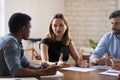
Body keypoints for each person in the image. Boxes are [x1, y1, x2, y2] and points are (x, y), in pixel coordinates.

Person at [0, 13, 58, 77]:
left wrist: (40, 68)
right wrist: (45, 72)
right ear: (23, 29)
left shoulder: (14, 41)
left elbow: (26, 65)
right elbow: (16, 71)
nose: (30, 31)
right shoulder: (11, 43)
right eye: (29, 28)